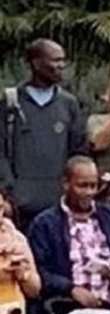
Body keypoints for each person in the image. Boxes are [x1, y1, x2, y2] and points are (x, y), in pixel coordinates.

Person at [27, 156, 110, 314]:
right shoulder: (45, 223)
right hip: (67, 310)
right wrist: (70, 289)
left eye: (93, 186)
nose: (89, 192)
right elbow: (39, 271)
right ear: (66, 184)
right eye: (82, 186)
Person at [2, 39, 88, 225]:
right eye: (55, 60)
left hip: (58, 206)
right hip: (19, 207)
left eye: (63, 60)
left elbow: (78, 152)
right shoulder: (11, 103)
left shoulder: (68, 104)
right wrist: (7, 193)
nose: (61, 65)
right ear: (37, 63)